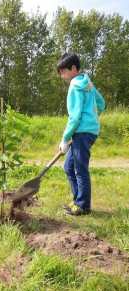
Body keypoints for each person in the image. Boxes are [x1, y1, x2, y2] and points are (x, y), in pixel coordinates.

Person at [57, 52, 105, 216]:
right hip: (87, 131)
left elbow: (75, 116)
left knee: (80, 168)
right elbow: (101, 103)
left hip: (83, 132)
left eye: (64, 72)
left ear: (73, 68)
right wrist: (93, 118)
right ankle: (78, 201)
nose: (63, 76)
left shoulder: (75, 86)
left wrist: (65, 138)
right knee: (69, 167)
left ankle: (83, 206)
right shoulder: (88, 83)